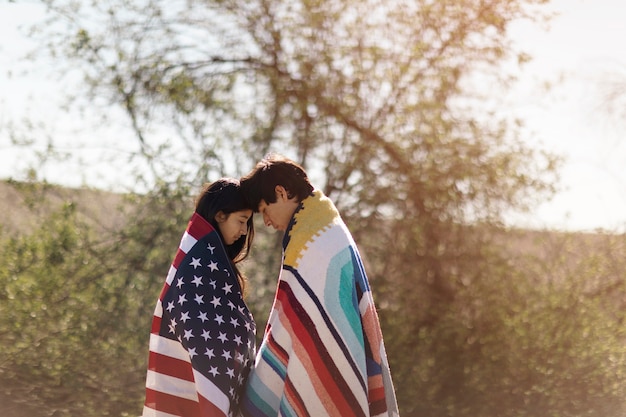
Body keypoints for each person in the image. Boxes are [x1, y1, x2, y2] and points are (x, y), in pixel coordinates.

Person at [239, 155, 399, 417]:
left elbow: (301, 327)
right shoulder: (324, 225)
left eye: (265, 210)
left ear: (280, 192)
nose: (266, 222)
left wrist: (260, 383)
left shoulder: (311, 240)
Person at [142, 178, 257, 417]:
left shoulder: (212, 266)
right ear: (220, 215)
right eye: (242, 220)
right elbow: (207, 345)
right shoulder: (200, 269)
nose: (245, 231)